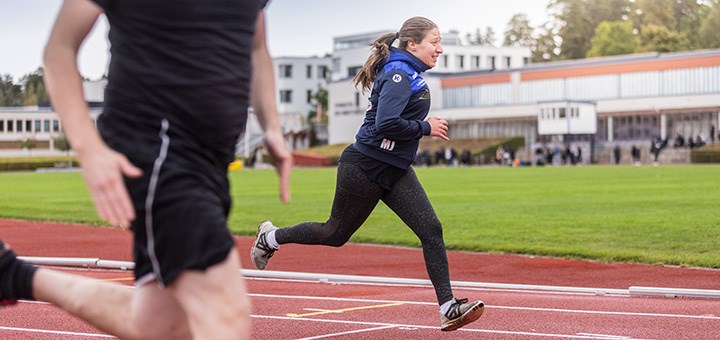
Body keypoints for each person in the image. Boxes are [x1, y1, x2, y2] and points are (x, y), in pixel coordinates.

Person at [0, 0, 292, 338]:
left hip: (211, 160)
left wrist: (271, 125)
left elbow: (256, 46)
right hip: (155, 146)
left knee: (160, 325)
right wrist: (88, 148)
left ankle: (13, 275)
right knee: (225, 315)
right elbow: (60, 48)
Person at [249, 17, 483, 332]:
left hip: (395, 170)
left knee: (431, 229)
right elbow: (387, 123)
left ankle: (448, 307)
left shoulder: (408, 72)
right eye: (435, 42)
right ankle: (271, 237)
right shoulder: (399, 74)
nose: (440, 49)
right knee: (334, 234)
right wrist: (425, 127)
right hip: (365, 166)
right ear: (412, 44)